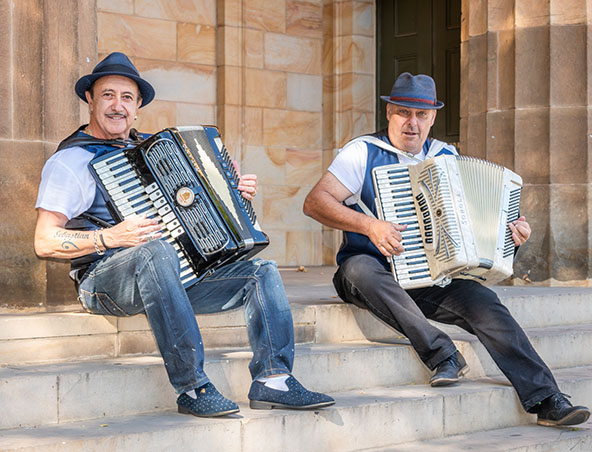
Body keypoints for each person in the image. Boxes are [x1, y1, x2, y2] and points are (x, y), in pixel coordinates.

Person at [34, 52, 334, 418]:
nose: (117, 105)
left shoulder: (149, 152)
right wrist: (110, 237)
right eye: (108, 95)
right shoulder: (70, 162)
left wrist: (230, 193)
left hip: (168, 278)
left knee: (262, 272)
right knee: (155, 251)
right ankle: (192, 387)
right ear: (90, 100)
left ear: (138, 105)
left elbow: (190, 209)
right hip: (101, 281)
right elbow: (44, 240)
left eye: (127, 97)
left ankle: (273, 379)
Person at [303, 72, 590, 427]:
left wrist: (507, 237)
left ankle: (547, 399)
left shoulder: (446, 156)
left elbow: (467, 227)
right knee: (361, 269)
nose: (412, 123)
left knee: (486, 304)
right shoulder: (362, 152)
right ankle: (443, 353)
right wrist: (369, 225)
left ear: (433, 118)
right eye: (404, 113)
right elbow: (315, 202)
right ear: (390, 112)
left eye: (421, 115)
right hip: (369, 271)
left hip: (428, 276)